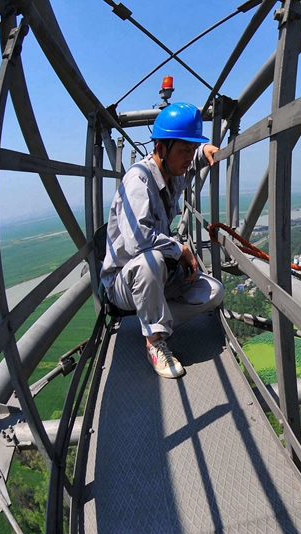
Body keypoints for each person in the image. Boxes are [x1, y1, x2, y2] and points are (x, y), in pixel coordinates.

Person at [101, 102, 224, 378]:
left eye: (192, 149)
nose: (188, 157)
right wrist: (181, 250)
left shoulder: (172, 171)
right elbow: (138, 243)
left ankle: (152, 319)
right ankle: (155, 341)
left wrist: (203, 150)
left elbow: (190, 163)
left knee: (214, 292)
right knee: (150, 260)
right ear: (160, 148)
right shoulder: (138, 181)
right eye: (184, 150)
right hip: (124, 280)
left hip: (158, 275)